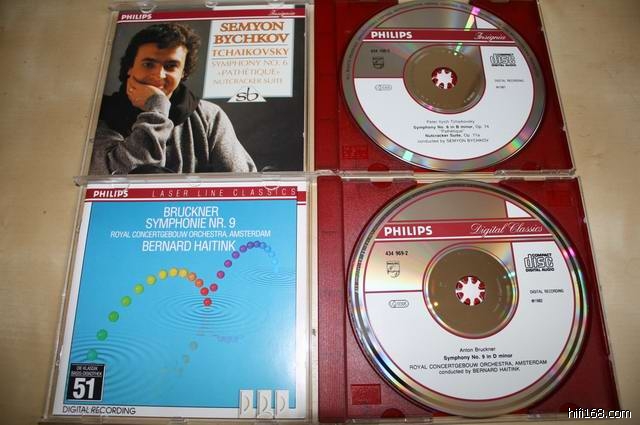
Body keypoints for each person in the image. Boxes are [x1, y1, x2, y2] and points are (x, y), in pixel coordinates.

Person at [89, 23, 256, 174]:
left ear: (183, 72)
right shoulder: (101, 114)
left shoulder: (209, 116)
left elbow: (241, 181)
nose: (159, 75)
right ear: (130, 67)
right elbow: (115, 174)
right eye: (148, 64)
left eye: (170, 66)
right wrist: (157, 107)